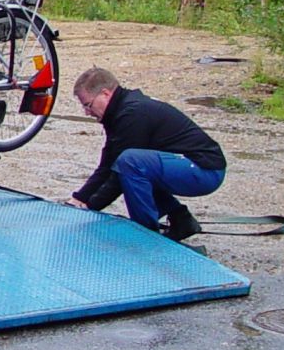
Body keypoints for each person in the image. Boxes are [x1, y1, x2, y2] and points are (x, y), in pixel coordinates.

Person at [62, 66, 227, 241]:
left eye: (88, 105)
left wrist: (90, 207)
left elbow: (119, 176)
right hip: (187, 165)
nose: (86, 112)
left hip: (205, 170)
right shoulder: (117, 112)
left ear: (105, 94)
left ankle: (146, 236)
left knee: (131, 163)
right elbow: (107, 164)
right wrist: (79, 198)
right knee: (137, 165)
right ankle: (181, 220)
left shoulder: (132, 113)